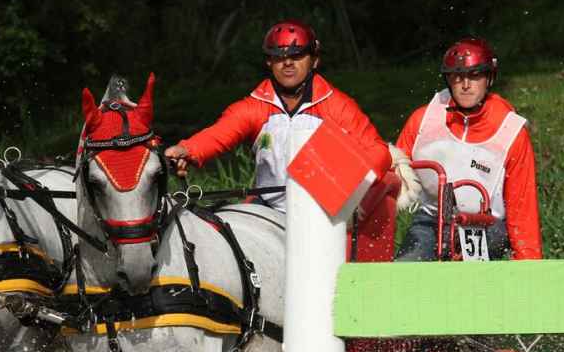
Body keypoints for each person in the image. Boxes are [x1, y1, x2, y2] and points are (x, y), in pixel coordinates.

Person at [164, 20, 413, 222]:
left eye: (297, 55)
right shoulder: (254, 106)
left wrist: (340, 187)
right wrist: (187, 150)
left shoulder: (337, 105)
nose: (288, 63)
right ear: (269, 62)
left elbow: (379, 152)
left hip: (323, 214)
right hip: (266, 209)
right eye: (279, 56)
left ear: (314, 60)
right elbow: (219, 133)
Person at [393, 37, 543, 260]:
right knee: (405, 270)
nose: (465, 85)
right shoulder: (423, 119)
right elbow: (391, 178)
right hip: (431, 222)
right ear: (448, 80)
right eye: (457, 77)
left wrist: (530, 268)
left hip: (486, 226)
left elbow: (523, 209)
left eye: (475, 76)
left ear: (489, 78)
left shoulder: (512, 132)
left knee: (466, 276)